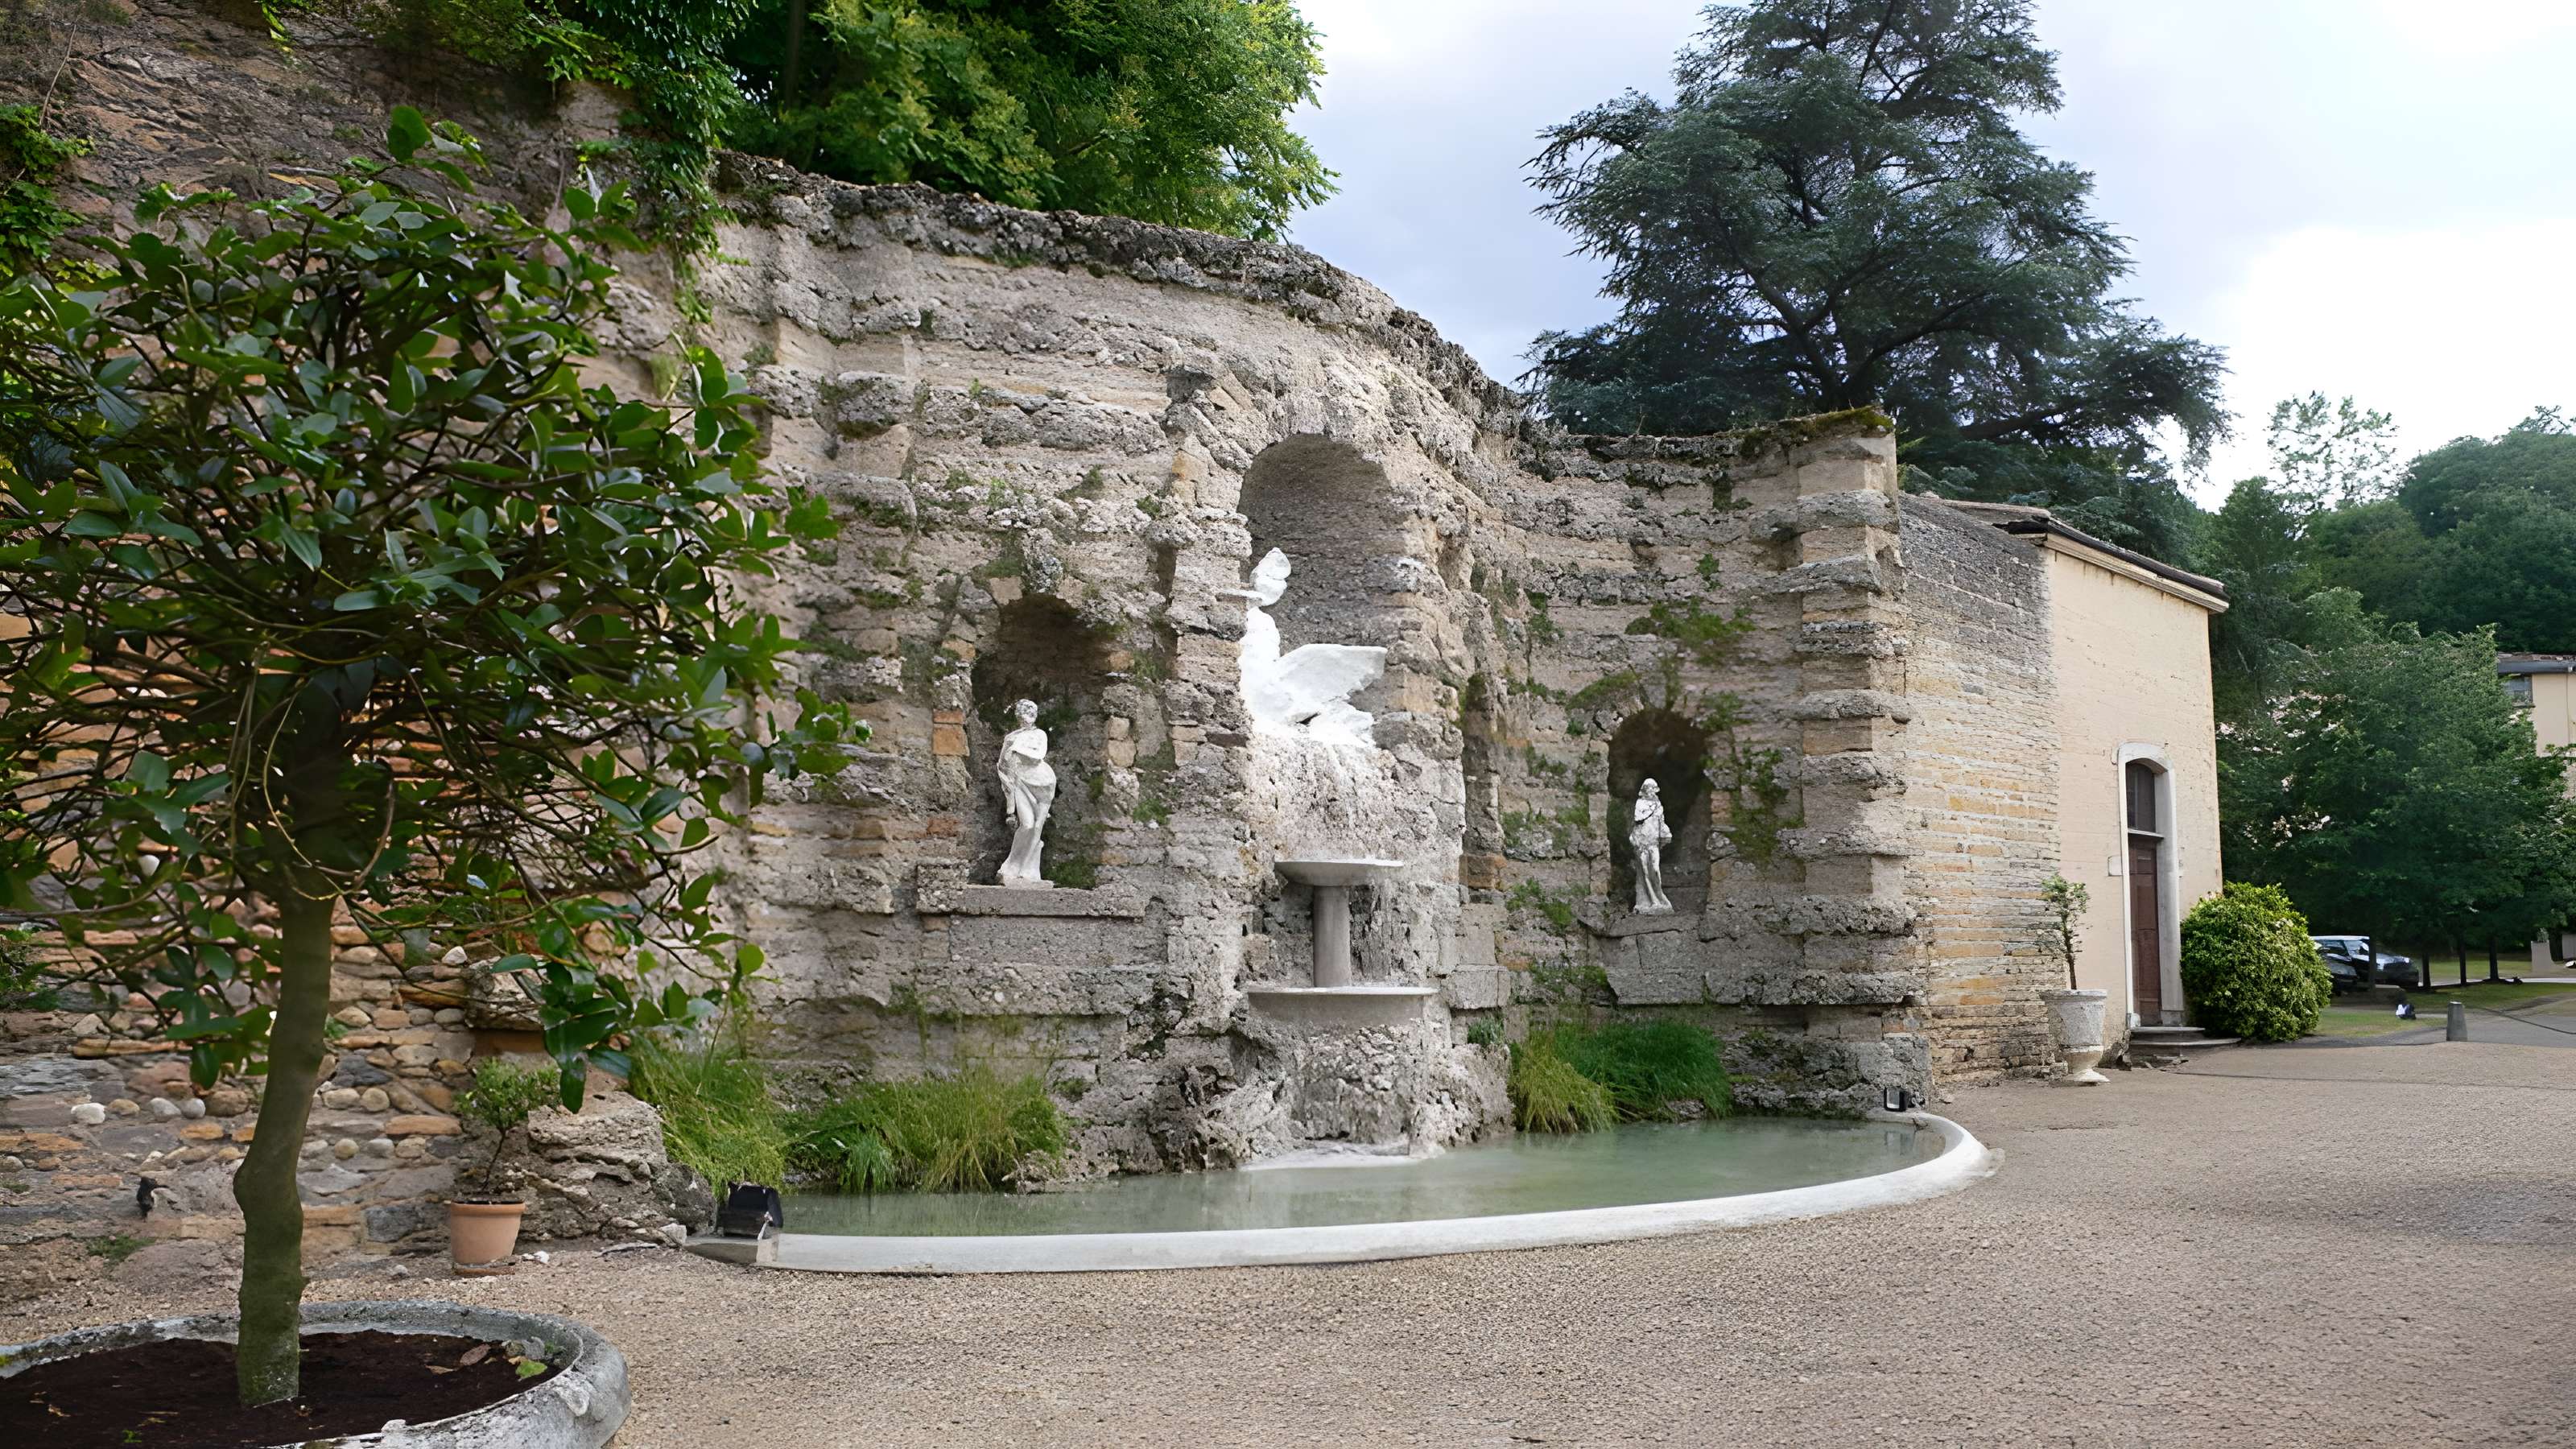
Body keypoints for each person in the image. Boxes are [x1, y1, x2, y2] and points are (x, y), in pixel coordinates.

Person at [997, 698, 1056, 886]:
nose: (1029, 716)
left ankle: (1028, 870)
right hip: (1020, 783)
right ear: (1018, 715)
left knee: (1038, 827)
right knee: (1027, 825)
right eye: (1025, 712)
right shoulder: (1011, 737)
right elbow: (1002, 765)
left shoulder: (1040, 734)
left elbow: (1040, 754)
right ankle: (1011, 865)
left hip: (1042, 782)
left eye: (1033, 713)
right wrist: (1009, 793)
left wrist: (1017, 749)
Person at [1630, 778, 1674, 914]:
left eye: (1653, 788)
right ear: (1645, 790)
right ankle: (1651, 901)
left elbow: (1661, 821)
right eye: (1649, 788)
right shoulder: (1641, 803)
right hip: (1643, 842)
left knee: (1655, 870)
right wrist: (1652, 808)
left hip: (1653, 841)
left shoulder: (1658, 804)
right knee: (1645, 872)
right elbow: (1638, 818)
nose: (1651, 791)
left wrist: (1665, 834)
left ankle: (1661, 899)